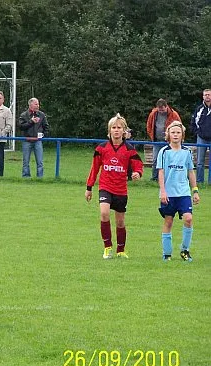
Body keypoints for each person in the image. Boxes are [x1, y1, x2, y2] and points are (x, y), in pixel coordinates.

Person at [85, 114, 144, 259]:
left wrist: (137, 173)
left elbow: (138, 166)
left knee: (120, 221)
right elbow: (94, 168)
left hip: (121, 189)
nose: (116, 130)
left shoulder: (129, 149)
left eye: (119, 128)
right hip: (105, 186)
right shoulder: (102, 148)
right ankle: (107, 248)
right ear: (109, 131)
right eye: (114, 127)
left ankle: (120, 250)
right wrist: (89, 187)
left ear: (124, 131)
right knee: (104, 213)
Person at [157, 121, 200, 262]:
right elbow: (161, 173)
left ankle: (185, 250)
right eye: (173, 132)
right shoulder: (164, 152)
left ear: (182, 135)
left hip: (183, 193)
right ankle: (167, 253)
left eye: (178, 132)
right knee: (168, 221)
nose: (175, 135)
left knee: (188, 218)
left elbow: (191, 172)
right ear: (168, 135)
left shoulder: (187, 152)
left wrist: (195, 191)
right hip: (169, 194)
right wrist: (163, 191)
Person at [146, 98, 181, 181]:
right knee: (155, 160)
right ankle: (154, 178)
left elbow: (179, 126)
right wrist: (151, 135)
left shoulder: (174, 114)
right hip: (156, 141)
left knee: (170, 160)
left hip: (169, 142)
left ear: (166, 107)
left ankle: (170, 178)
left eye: (162, 110)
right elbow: (149, 125)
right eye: (159, 110)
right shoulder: (153, 114)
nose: (161, 111)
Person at [18, 97, 50, 178]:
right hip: (27, 140)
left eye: (38, 104)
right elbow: (21, 127)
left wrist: (43, 135)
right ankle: (26, 177)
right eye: (36, 104)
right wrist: (31, 122)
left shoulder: (42, 115)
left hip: (38, 141)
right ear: (30, 105)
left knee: (40, 161)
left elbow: (46, 127)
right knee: (26, 161)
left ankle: (40, 177)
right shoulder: (24, 115)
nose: (38, 106)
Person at [190, 88, 211, 184]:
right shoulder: (199, 109)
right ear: (203, 96)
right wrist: (197, 132)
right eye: (205, 94)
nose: (207, 96)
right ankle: (199, 182)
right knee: (199, 162)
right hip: (201, 138)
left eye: (209, 94)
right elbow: (193, 122)